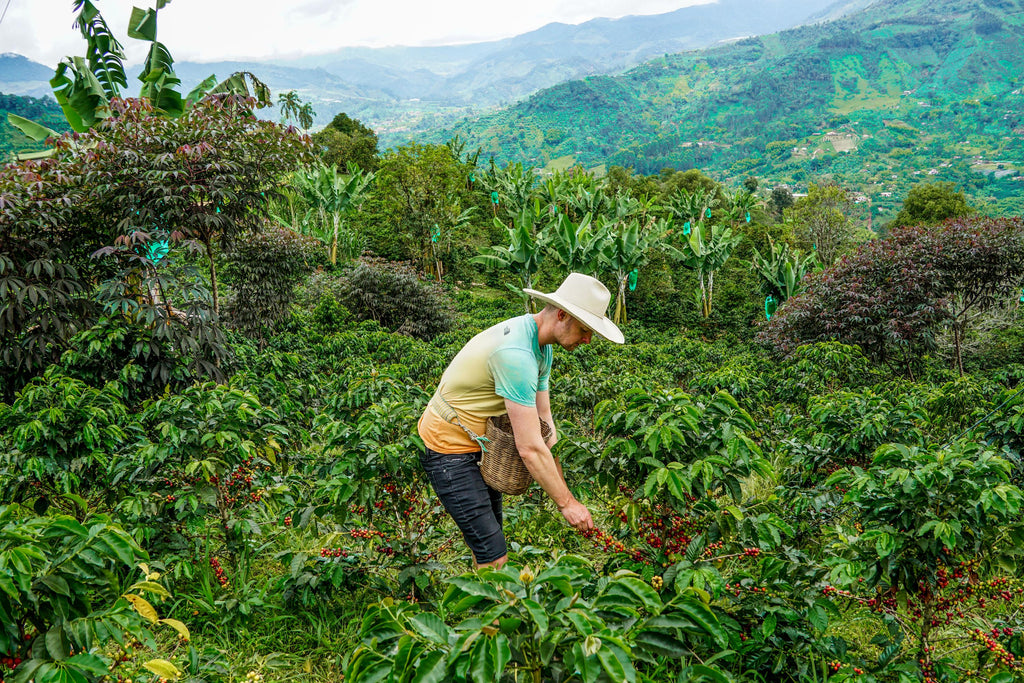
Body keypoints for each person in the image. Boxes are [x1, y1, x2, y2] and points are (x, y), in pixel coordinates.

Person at [417, 273, 625, 569]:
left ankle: (487, 603)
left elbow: (545, 423)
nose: (587, 340)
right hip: (448, 449)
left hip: (480, 445)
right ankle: (488, 611)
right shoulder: (516, 355)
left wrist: (564, 487)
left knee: (489, 542)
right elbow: (528, 446)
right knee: (495, 554)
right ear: (562, 315)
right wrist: (566, 504)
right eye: (584, 330)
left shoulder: (542, 346)